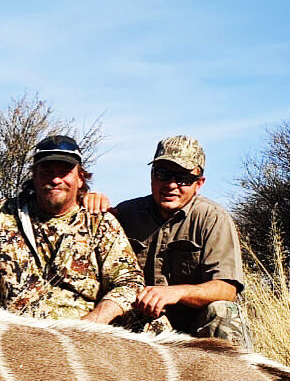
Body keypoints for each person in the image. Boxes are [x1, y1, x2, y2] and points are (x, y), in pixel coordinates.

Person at [0, 135, 143, 323]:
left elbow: (129, 283)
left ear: (81, 178)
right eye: (47, 171)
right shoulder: (1, 215)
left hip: (81, 339)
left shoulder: (99, 221)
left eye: (64, 172)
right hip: (12, 334)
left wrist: (92, 323)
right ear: (34, 176)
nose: (56, 179)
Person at [87, 135, 253, 350]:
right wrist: (86, 200)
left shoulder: (213, 218)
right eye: (162, 174)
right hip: (143, 322)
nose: (171, 185)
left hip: (197, 328)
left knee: (223, 312)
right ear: (152, 176)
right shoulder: (125, 213)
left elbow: (226, 289)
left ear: (199, 184)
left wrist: (175, 293)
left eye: (183, 178)